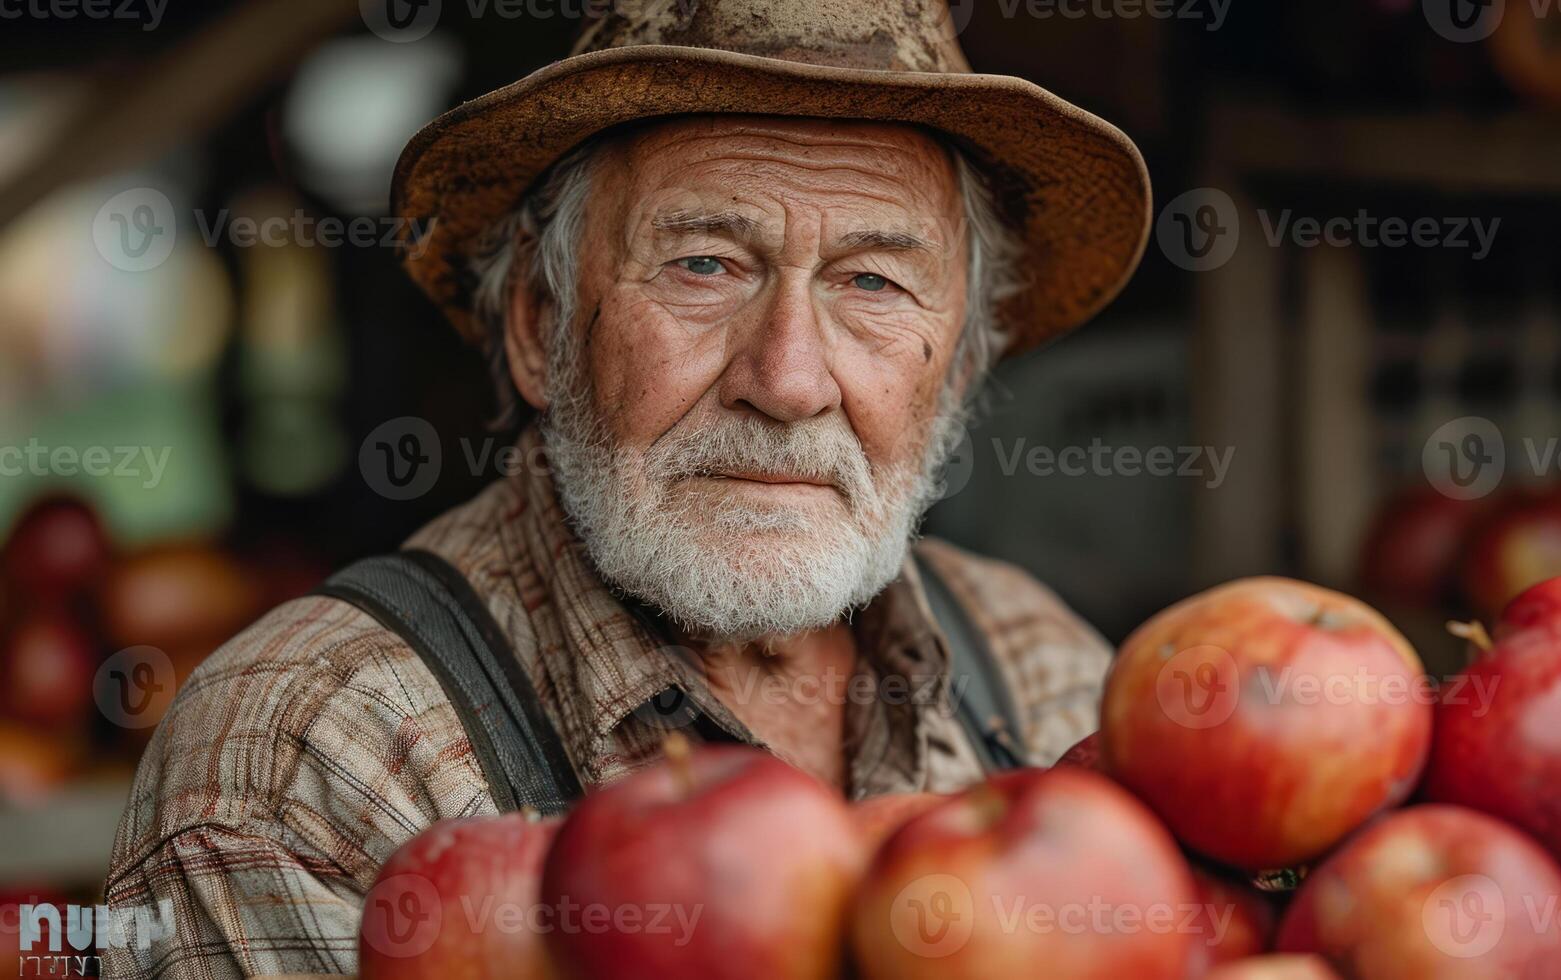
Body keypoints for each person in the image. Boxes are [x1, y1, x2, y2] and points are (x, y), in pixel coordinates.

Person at [103, 0, 1152, 974]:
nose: (786, 381)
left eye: (872, 282)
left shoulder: (1045, 676)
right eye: (705, 264)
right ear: (538, 327)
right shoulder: (316, 760)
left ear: (956, 366)